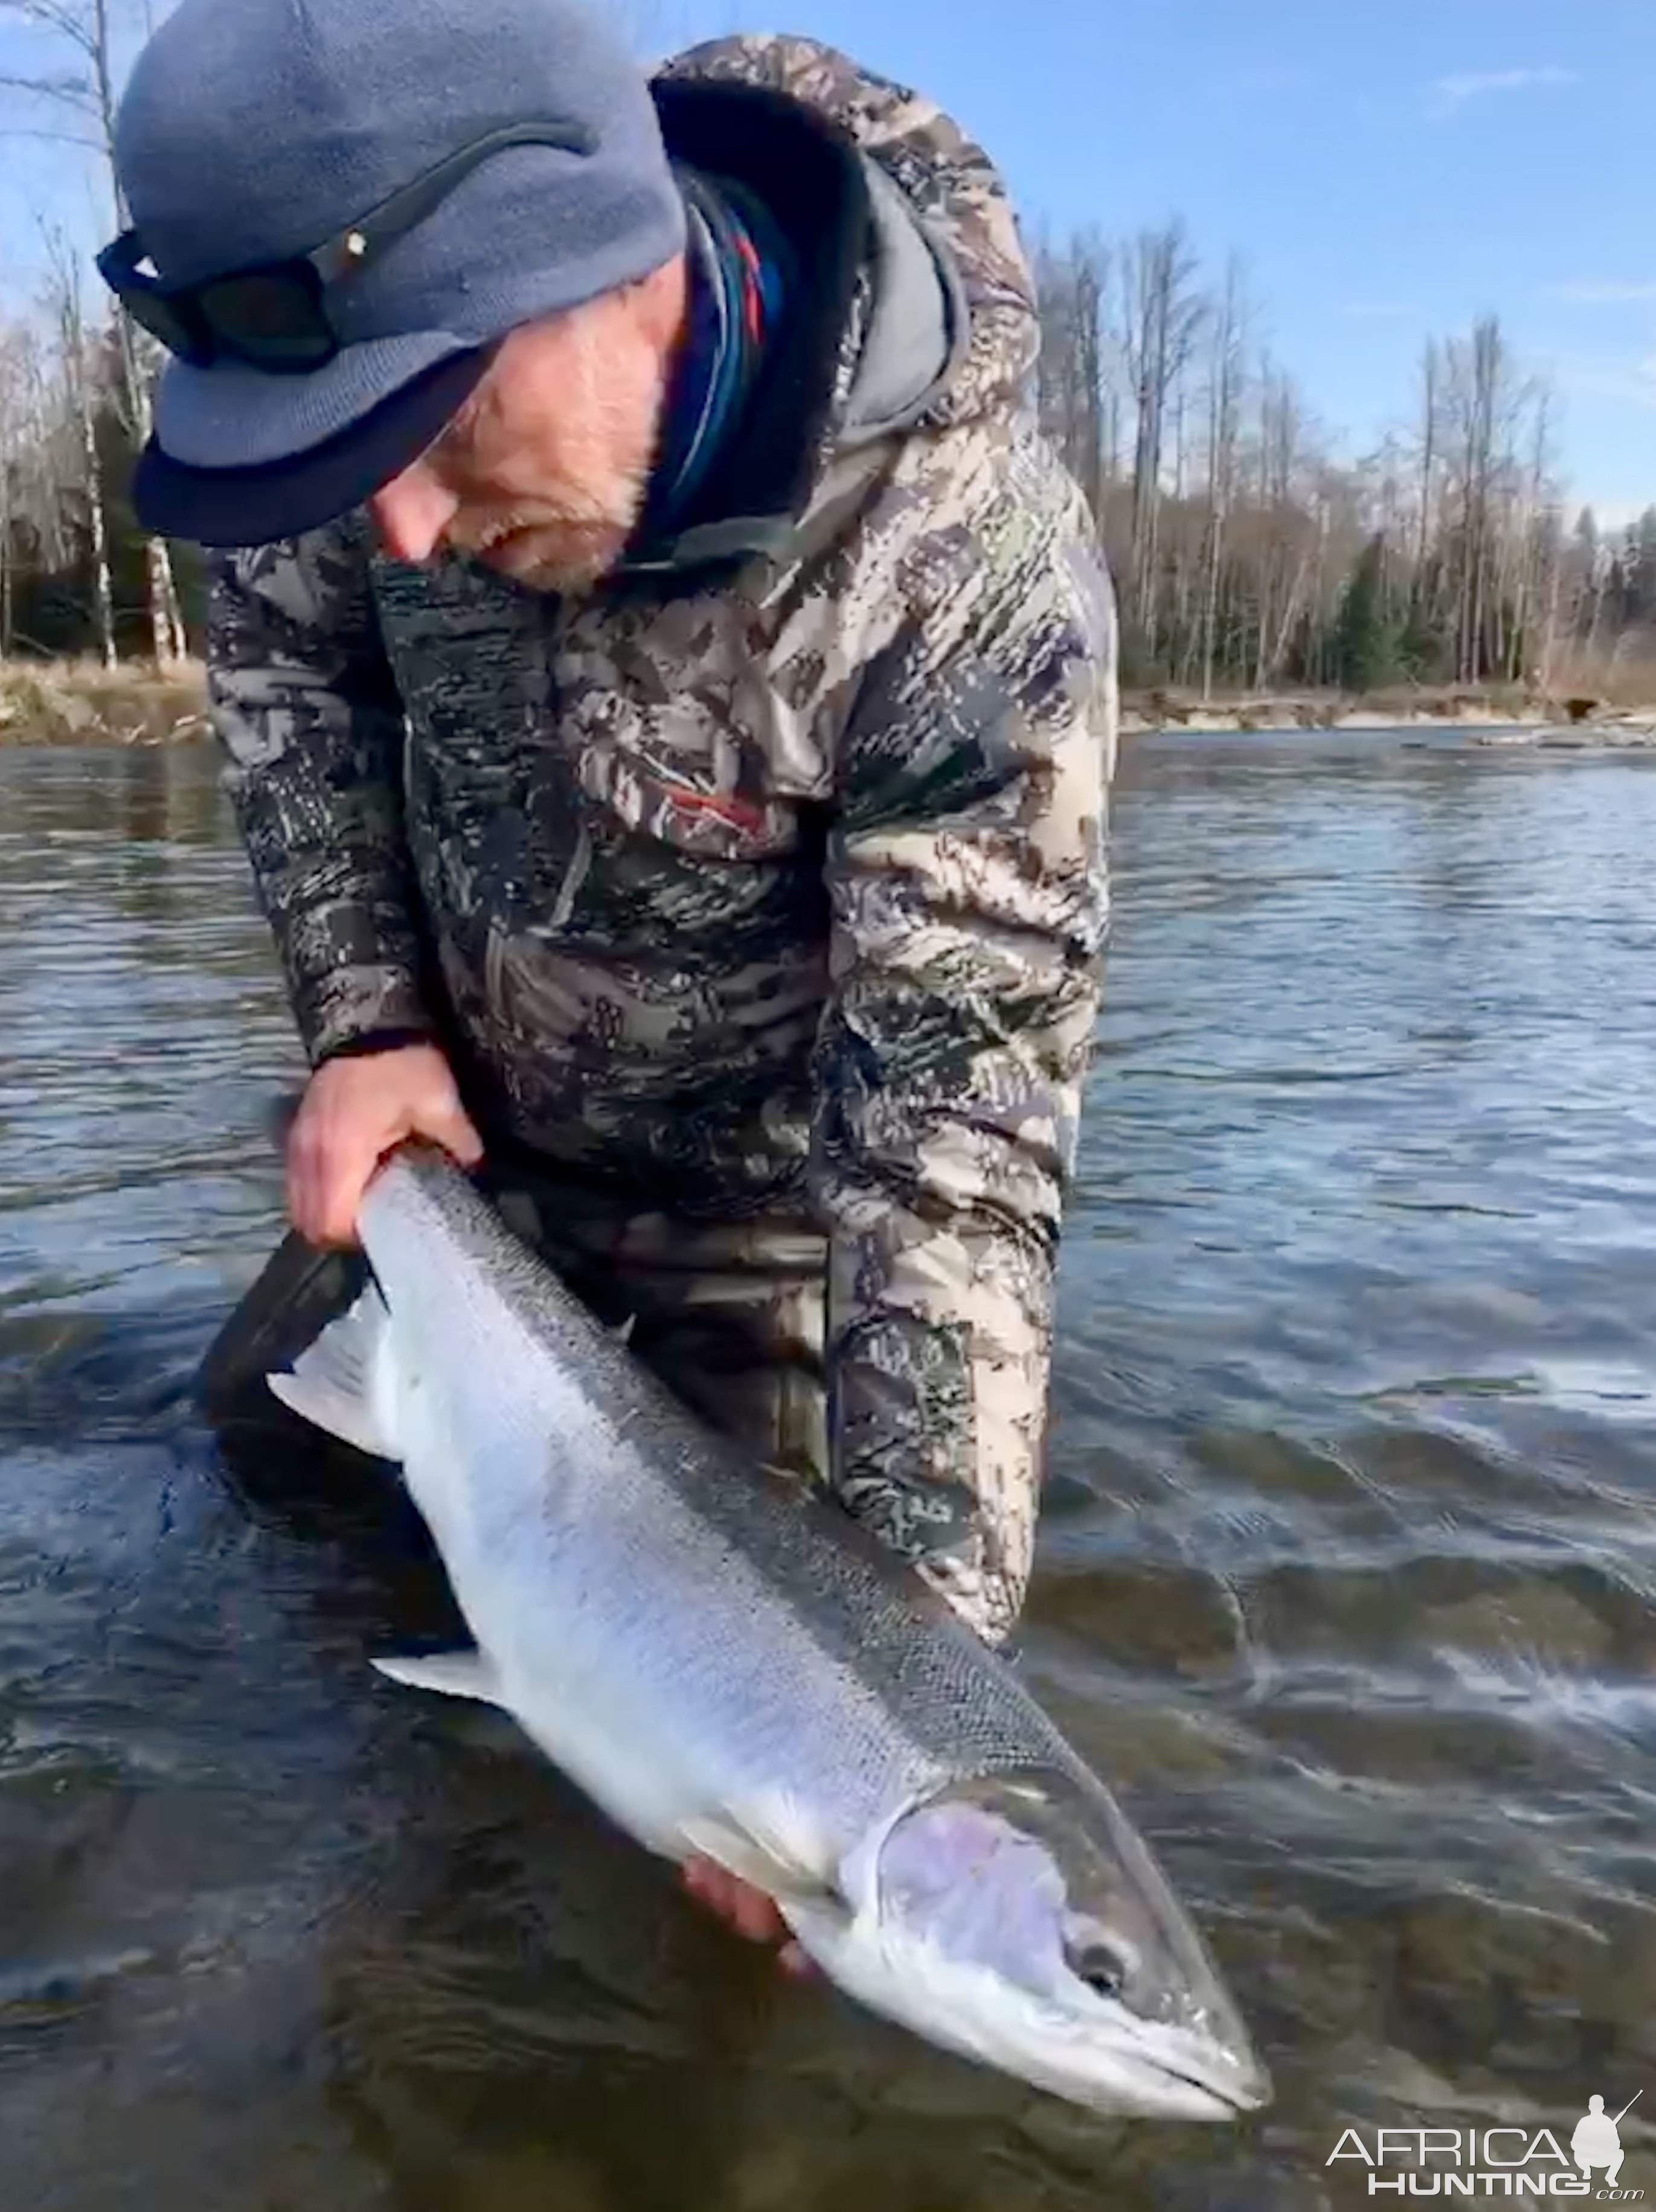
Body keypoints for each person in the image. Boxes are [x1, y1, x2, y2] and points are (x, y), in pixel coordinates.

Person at [104, 0, 1117, 1968]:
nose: (391, 526)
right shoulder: (329, 355)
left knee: (700, 1949)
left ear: (616, 274)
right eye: (342, 460)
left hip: (763, 1243)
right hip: (452, 1176)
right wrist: (362, 1017)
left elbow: (953, 1153)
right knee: (229, 1548)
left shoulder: (963, 582)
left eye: (435, 430)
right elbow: (290, 677)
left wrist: (892, 1692)